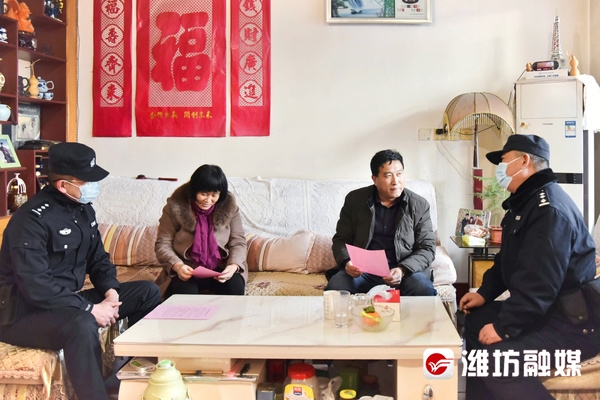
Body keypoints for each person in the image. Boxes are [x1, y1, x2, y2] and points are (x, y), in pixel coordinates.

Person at [0, 142, 161, 400]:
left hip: (66, 302)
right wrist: (90, 309)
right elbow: (36, 286)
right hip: (24, 313)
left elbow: (99, 259)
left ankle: (132, 378)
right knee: (82, 324)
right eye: (87, 181)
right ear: (63, 185)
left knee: (147, 292)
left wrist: (111, 293)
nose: (93, 186)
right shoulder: (31, 220)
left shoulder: (83, 209)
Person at [459, 134, 600, 399]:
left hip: (571, 325)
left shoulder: (549, 210)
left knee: (497, 360)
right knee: (476, 320)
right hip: (547, 312)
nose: (499, 170)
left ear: (524, 161)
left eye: (503, 161)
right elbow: (507, 260)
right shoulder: (525, 203)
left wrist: (503, 327)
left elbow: (539, 285)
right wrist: (484, 293)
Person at [325, 149, 437, 296]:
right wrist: (347, 261)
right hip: (364, 271)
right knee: (336, 288)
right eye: (388, 175)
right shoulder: (355, 200)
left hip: (405, 270)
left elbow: (427, 248)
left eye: (399, 174)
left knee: (424, 290)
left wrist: (402, 269)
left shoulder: (419, 205)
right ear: (375, 179)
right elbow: (341, 240)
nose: (395, 181)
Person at [155, 164, 247, 297]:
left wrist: (233, 266)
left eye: (214, 195)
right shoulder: (174, 207)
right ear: (194, 190)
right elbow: (163, 243)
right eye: (203, 194)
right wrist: (177, 266)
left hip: (221, 268)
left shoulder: (230, 208)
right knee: (186, 296)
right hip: (187, 269)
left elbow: (238, 242)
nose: (208, 200)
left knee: (234, 288)